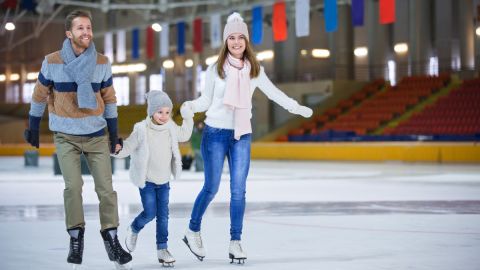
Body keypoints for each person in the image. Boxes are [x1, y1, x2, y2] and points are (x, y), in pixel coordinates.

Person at [180, 12, 313, 264]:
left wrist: (295, 107)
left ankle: (235, 241)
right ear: (225, 41)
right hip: (215, 133)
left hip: (242, 134)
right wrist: (189, 106)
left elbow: (274, 93)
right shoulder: (215, 69)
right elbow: (206, 100)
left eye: (241, 37)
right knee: (211, 187)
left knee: (238, 191)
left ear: (247, 41)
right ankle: (192, 229)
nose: (237, 42)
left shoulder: (254, 69)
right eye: (232, 37)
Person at [23, 10, 132, 269]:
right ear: (69, 33)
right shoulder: (52, 61)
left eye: (89, 28)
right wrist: (33, 126)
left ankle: (112, 238)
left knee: (106, 190)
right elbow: (39, 95)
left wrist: (114, 133)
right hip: (66, 136)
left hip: (96, 135)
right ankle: (76, 237)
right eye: (80, 28)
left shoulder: (102, 62)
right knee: (73, 188)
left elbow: (109, 99)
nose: (86, 32)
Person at [113, 90, 193, 267]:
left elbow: (185, 135)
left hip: (164, 181)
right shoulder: (141, 129)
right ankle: (134, 228)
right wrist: (117, 149)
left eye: (167, 112)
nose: (164, 116)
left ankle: (162, 249)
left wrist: (188, 118)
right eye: (160, 112)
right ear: (151, 112)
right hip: (147, 181)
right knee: (150, 213)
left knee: (163, 216)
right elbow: (129, 146)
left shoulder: (171, 127)